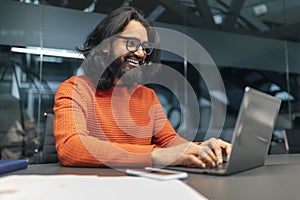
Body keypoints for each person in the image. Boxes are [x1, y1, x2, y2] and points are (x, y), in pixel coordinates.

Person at [53, 6, 231, 168]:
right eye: (131, 43)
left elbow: (170, 143)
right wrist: (153, 155)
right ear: (106, 44)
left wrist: (205, 149)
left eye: (145, 48)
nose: (140, 53)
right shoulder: (74, 90)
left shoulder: (147, 96)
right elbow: (71, 147)